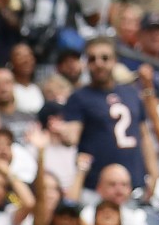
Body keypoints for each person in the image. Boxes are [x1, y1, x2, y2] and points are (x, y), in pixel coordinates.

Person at [61, 37, 149, 190]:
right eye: (92, 59)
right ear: (86, 64)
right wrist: (64, 133)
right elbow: (72, 137)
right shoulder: (79, 97)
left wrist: (153, 174)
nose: (98, 64)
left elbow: (145, 136)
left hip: (134, 183)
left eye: (105, 58)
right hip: (97, 186)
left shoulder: (131, 93)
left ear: (115, 61)